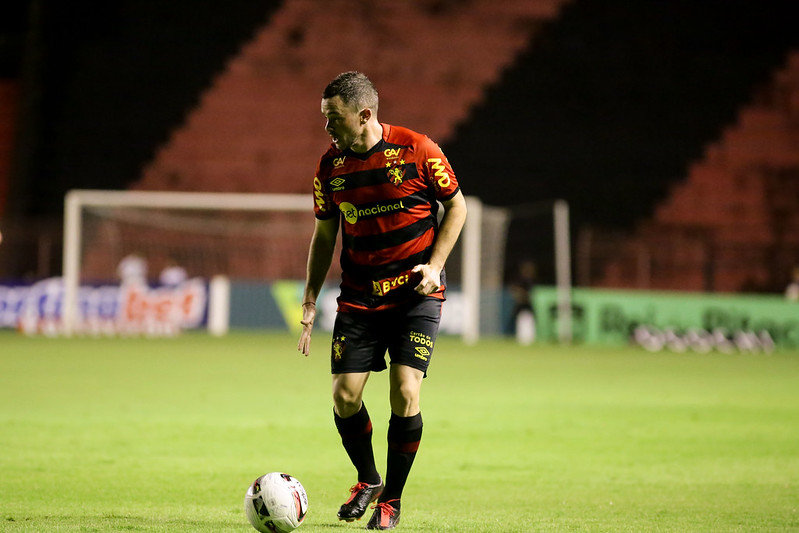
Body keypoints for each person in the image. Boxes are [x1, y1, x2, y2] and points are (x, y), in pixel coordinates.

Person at [297, 71, 467, 530]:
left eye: (334, 118)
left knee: (406, 390)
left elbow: (457, 206)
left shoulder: (417, 149)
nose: (327, 128)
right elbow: (324, 235)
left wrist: (434, 265)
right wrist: (310, 300)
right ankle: (368, 479)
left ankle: (391, 499)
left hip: (415, 294)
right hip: (358, 297)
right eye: (324, 118)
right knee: (344, 396)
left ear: (364, 114)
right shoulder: (330, 169)